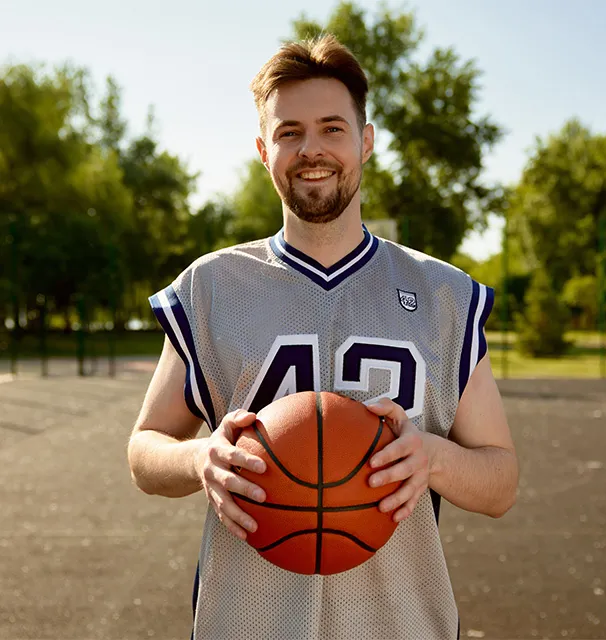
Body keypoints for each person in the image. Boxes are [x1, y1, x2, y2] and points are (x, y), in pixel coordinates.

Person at [127, 34, 518, 640]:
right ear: (264, 150)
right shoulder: (211, 286)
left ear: (365, 140)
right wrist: (200, 457)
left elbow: (500, 482)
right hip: (247, 622)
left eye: (333, 128)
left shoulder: (444, 294)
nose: (311, 149)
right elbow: (144, 450)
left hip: (403, 623)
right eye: (289, 132)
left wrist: (432, 457)